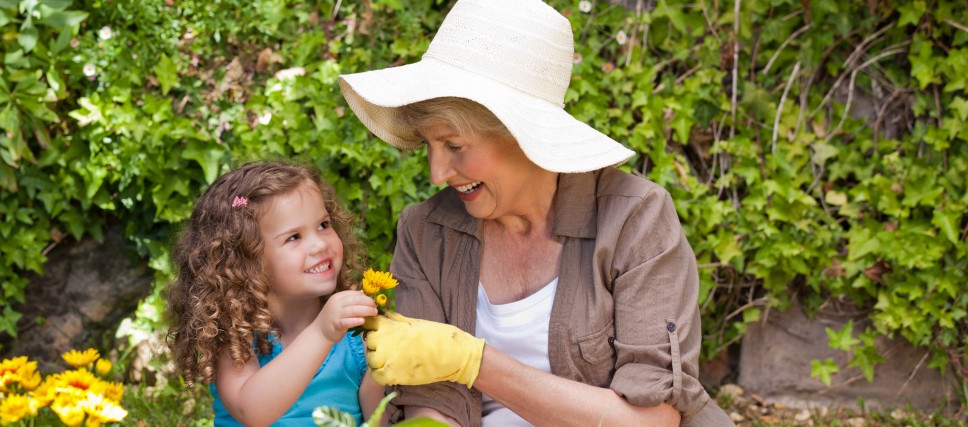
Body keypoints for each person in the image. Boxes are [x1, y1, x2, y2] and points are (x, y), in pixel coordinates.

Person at [337, 0, 733, 426]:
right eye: (429, 145)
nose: (436, 174)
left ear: (523, 137)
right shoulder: (426, 231)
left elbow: (652, 420)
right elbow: (433, 406)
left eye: (454, 146)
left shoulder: (635, 220)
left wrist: (475, 363)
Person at [167, 161, 385, 426]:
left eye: (324, 225)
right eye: (294, 237)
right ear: (246, 259)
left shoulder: (358, 338)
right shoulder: (237, 336)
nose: (319, 244)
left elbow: (380, 420)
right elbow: (252, 412)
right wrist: (322, 333)